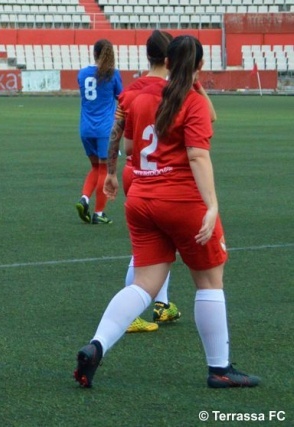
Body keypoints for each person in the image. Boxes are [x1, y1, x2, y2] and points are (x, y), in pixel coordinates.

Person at [74, 35, 259, 389]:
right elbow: (198, 155)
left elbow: (123, 140)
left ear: (166, 63)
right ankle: (219, 368)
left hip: (141, 197)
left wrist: (111, 173)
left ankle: (97, 345)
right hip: (182, 201)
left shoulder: (138, 95)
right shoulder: (193, 101)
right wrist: (212, 205)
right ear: (199, 67)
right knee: (209, 281)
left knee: (144, 283)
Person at [106, 30, 178, 333]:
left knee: (156, 243)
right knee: (151, 244)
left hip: (132, 171)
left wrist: (110, 171)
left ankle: (161, 304)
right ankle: (134, 310)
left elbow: (118, 136)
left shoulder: (131, 91)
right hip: (160, 174)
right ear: (168, 58)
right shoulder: (175, 92)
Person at [74, 39, 122, 225]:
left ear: (94, 53)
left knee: (95, 167)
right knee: (104, 170)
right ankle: (99, 213)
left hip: (85, 128)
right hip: (105, 130)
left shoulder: (82, 73)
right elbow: (122, 98)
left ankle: (84, 199)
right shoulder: (113, 74)